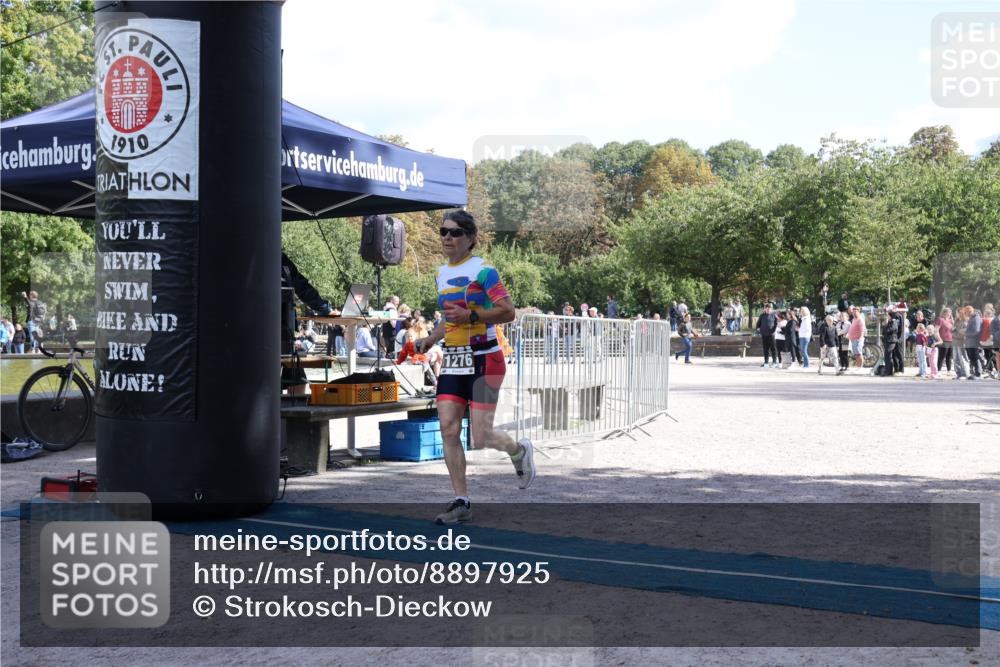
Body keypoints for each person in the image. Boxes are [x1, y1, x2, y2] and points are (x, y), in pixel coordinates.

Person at [414, 210, 535, 525]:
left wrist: (471, 317)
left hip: (486, 357)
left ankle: (518, 451)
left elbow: (507, 311)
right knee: (449, 428)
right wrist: (432, 338)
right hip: (454, 357)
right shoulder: (440, 273)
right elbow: (447, 316)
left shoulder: (484, 271)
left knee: (480, 435)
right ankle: (461, 500)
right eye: (443, 232)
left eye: (454, 233)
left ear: (469, 238)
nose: (447, 238)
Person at [756, 303, 778, 368]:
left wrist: (774, 331)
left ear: (771, 309)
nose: (768, 309)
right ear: (765, 308)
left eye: (769, 308)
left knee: (773, 349)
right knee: (765, 349)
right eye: (767, 308)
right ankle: (766, 362)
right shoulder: (762, 315)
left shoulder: (774, 315)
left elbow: (777, 324)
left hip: (772, 335)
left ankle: (774, 362)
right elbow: (758, 324)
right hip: (764, 335)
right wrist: (758, 329)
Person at [964, 305, 983, 379]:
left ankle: (978, 373)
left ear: (969, 311)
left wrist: (966, 333)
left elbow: (976, 330)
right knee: (972, 357)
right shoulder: (972, 318)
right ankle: (975, 373)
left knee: (974, 357)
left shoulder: (976, 318)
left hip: (974, 341)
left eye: (965, 312)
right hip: (970, 341)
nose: (965, 314)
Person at [881, 307, 900, 377]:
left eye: (888, 316)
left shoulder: (894, 322)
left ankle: (888, 371)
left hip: (891, 340)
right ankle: (888, 371)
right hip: (888, 340)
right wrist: (885, 325)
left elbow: (890, 330)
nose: (887, 317)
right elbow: (884, 332)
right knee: (887, 356)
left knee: (888, 356)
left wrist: (885, 326)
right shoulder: (889, 322)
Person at [936, 307, 954, 373]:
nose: (949, 314)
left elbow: (954, 330)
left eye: (950, 313)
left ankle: (949, 370)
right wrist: (939, 339)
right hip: (944, 340)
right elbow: (936, 330)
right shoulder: (940, 320)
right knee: (942, 356)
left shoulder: (950, 320)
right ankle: (938, 370)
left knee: (949, 357)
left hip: (951, 340)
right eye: (948, 312)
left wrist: (953, 321)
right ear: (944, 312)